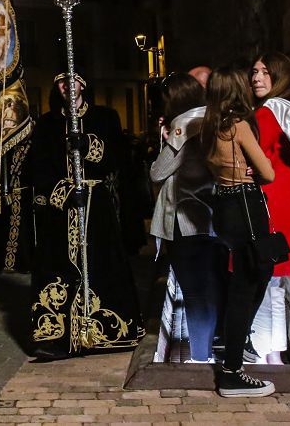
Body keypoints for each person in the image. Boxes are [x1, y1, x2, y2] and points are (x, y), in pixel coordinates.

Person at [27, 72, 144, 362]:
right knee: (59, 267)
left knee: (101, 262)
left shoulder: (105, 117)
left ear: (83, 84)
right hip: (61, 209)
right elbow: (36, 167)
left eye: (74, 80)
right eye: (62, 82)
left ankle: (104, 330)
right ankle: (59, 337)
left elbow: (117, 159)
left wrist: (88, 146)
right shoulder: (47, 123)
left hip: (96, 207)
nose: (69, 86)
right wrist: (62, 193)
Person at [201, 67, 277, 397]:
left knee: (250, 279)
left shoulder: (204, 126)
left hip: (223, 206)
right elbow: (269, 173)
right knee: (248, 286)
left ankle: (235, 351)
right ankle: (232, 371)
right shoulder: (238, 126)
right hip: (246, 205)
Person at [148, 74, 223, 363]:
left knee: (194, 292)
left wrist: (165, 139)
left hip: (185, 217)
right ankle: (207, 349)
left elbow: (158, 171)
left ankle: (201, 356)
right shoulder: (212, 117)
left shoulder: (184, 124)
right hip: (213, 216)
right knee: (210, 288)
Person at [248, 53, 290, 365]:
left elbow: (254, 154)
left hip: (271, 193)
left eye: (265, 72)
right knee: (275, 281)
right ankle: (274, 352)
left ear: (280, 76)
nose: (257, 77)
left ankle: (263, 351)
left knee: (263, 276)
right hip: (288, 191)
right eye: (255, 71)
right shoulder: (289, 108)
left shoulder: (268, 110)